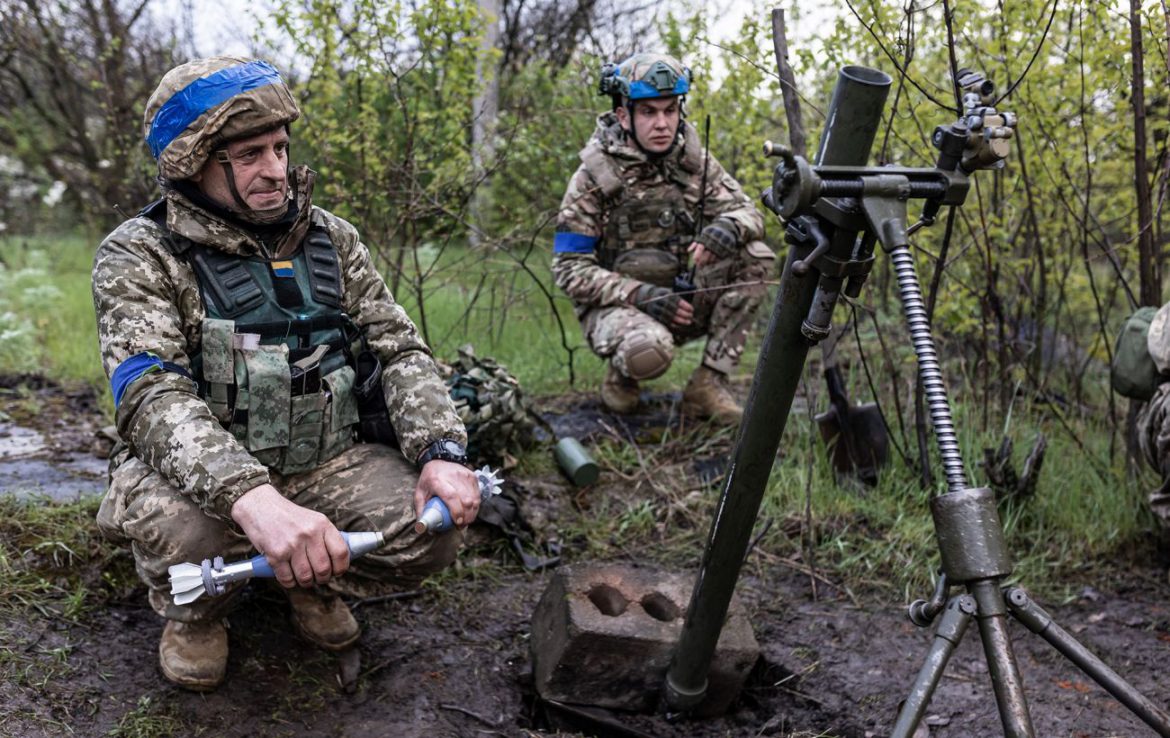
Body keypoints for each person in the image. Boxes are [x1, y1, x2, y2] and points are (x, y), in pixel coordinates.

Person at [92, 56, 480, 691]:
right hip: (205, 477)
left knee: (428, 533)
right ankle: (198, 612)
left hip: (326, 456)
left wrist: (439, 449)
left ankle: (313, 575)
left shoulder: (331, 239)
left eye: (279, 147)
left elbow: (399, 350)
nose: (275, 170)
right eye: (248, 155)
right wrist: (253, 500)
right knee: (188, 541)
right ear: (192, 161)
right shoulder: (139, 253)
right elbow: (148, 393)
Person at [552, 52, 774, 424]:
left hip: (683, 294)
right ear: (624, 115)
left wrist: (729, 227)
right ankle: (624, 374)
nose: (662, 123)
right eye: (649, 112)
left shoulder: (695, 165)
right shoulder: (593, 177)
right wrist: (641, 295)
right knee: (648, 351)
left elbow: (749, 212)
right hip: (618, 309)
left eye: (670, 111)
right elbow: (569, 270)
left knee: (756, 256)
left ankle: (708, 383)